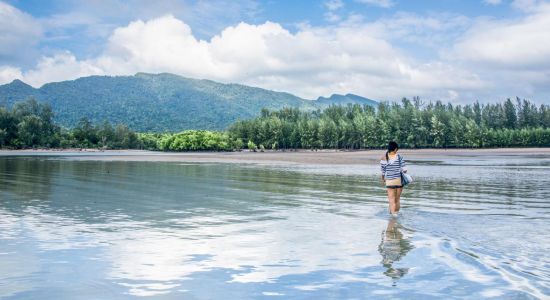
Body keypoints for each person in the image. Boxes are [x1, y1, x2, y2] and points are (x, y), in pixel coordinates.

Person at [380, 141, 407, 215]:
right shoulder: (399, 157)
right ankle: (396, 214)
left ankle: (392, 217)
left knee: (391, 201)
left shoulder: (384, 158)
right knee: (397, 199)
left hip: (389, 181)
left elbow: (383, 171)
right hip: (399, 181)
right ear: (395, 149)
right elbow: (405, 170)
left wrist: (383, 179)